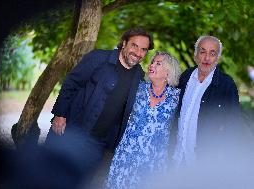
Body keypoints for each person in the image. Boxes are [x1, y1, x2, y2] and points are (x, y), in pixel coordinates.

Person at [44, 27, 154, 186]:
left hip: (98, 144)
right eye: (134, 46)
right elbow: (71, 83)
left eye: (143, 49)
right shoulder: (98, 58)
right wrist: (60, 115)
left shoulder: (139, 76)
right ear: (124, 43)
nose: (138, 52)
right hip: (72, 130)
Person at [104, 52, 181, 189]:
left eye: (158, 63)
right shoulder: (137, 89)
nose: (152, 65)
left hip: (153, 162)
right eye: (152, 62)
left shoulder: (176, 98)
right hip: (126, 155)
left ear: (168, 71)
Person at [171, 35, 241, 167]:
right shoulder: (185, 77)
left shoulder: (226, 85)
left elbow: (233, 126)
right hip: (177, 158)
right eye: (202, 52)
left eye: (212, 53)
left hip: (203, 162)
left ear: (218, 58)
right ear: (195, 55)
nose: (207, 58)